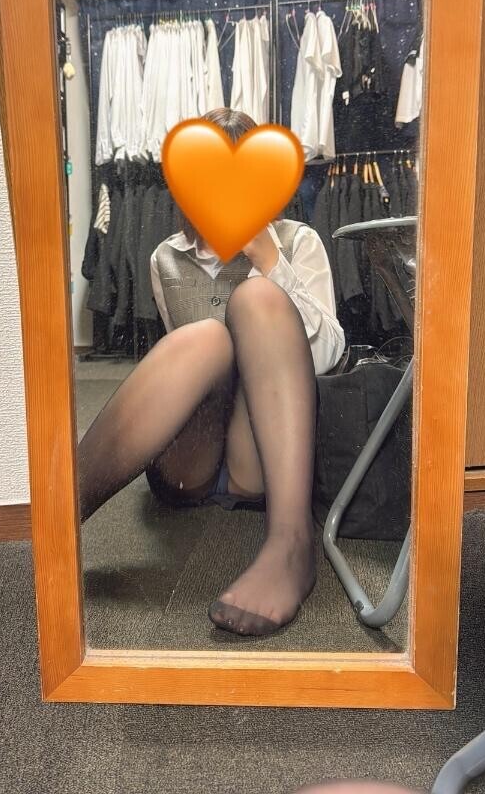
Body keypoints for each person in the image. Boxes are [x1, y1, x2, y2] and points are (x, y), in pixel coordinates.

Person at [77, 108, 345, 637]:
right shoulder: (165, 258)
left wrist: (271, 264)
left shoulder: (298, 242)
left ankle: (291, 544)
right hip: (190, 461)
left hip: (261, 459)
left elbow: (329, 355)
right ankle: (55, 519)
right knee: (205, 337)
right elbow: (180, 370)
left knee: (257, 300)